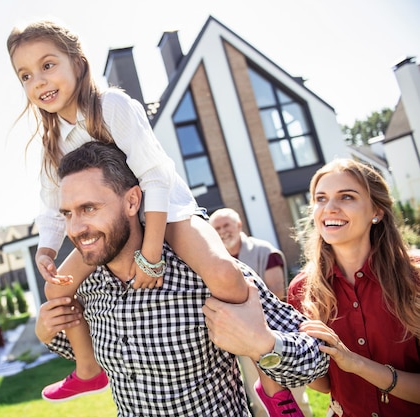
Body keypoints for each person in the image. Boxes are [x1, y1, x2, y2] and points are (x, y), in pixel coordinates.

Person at [7, 19, 248, 402]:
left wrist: (151, 254)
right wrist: (47, 249)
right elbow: (52, 204)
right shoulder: (52, 142)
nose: (37, 81)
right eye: (25, 75)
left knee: (223, 274)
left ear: (77, 63)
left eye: (48, 65)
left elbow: (156, 177)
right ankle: (88, 371)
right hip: (115, 224)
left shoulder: (111, 106)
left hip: (166, 210)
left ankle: (272, 387)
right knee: (56, 289)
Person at [36, 141, 329, 416]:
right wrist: (48, 333)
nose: (76, 228)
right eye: (68, 214)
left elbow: (317, 362)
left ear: (132, 201)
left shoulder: (200, 272)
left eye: (89, 208)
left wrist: (263, 344)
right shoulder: (86, 286)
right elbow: (106, 355)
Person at [287, 158, 420, 416]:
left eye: (346, 197)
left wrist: (355, 363)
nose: (330, 208)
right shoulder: (302, 290)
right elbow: (324, 385)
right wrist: (278, 351)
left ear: (377, 212)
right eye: (321, 198)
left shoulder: (414, 277)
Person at [210, 208, 313, 417]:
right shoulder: (213, 260)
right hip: (241, 341)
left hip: (275, 336)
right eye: (217, 228)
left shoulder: (264, 251)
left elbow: (277, 293)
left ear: (239, 226)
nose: (222, 231)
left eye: (226, 225)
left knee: (291, 398)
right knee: (259, 402)